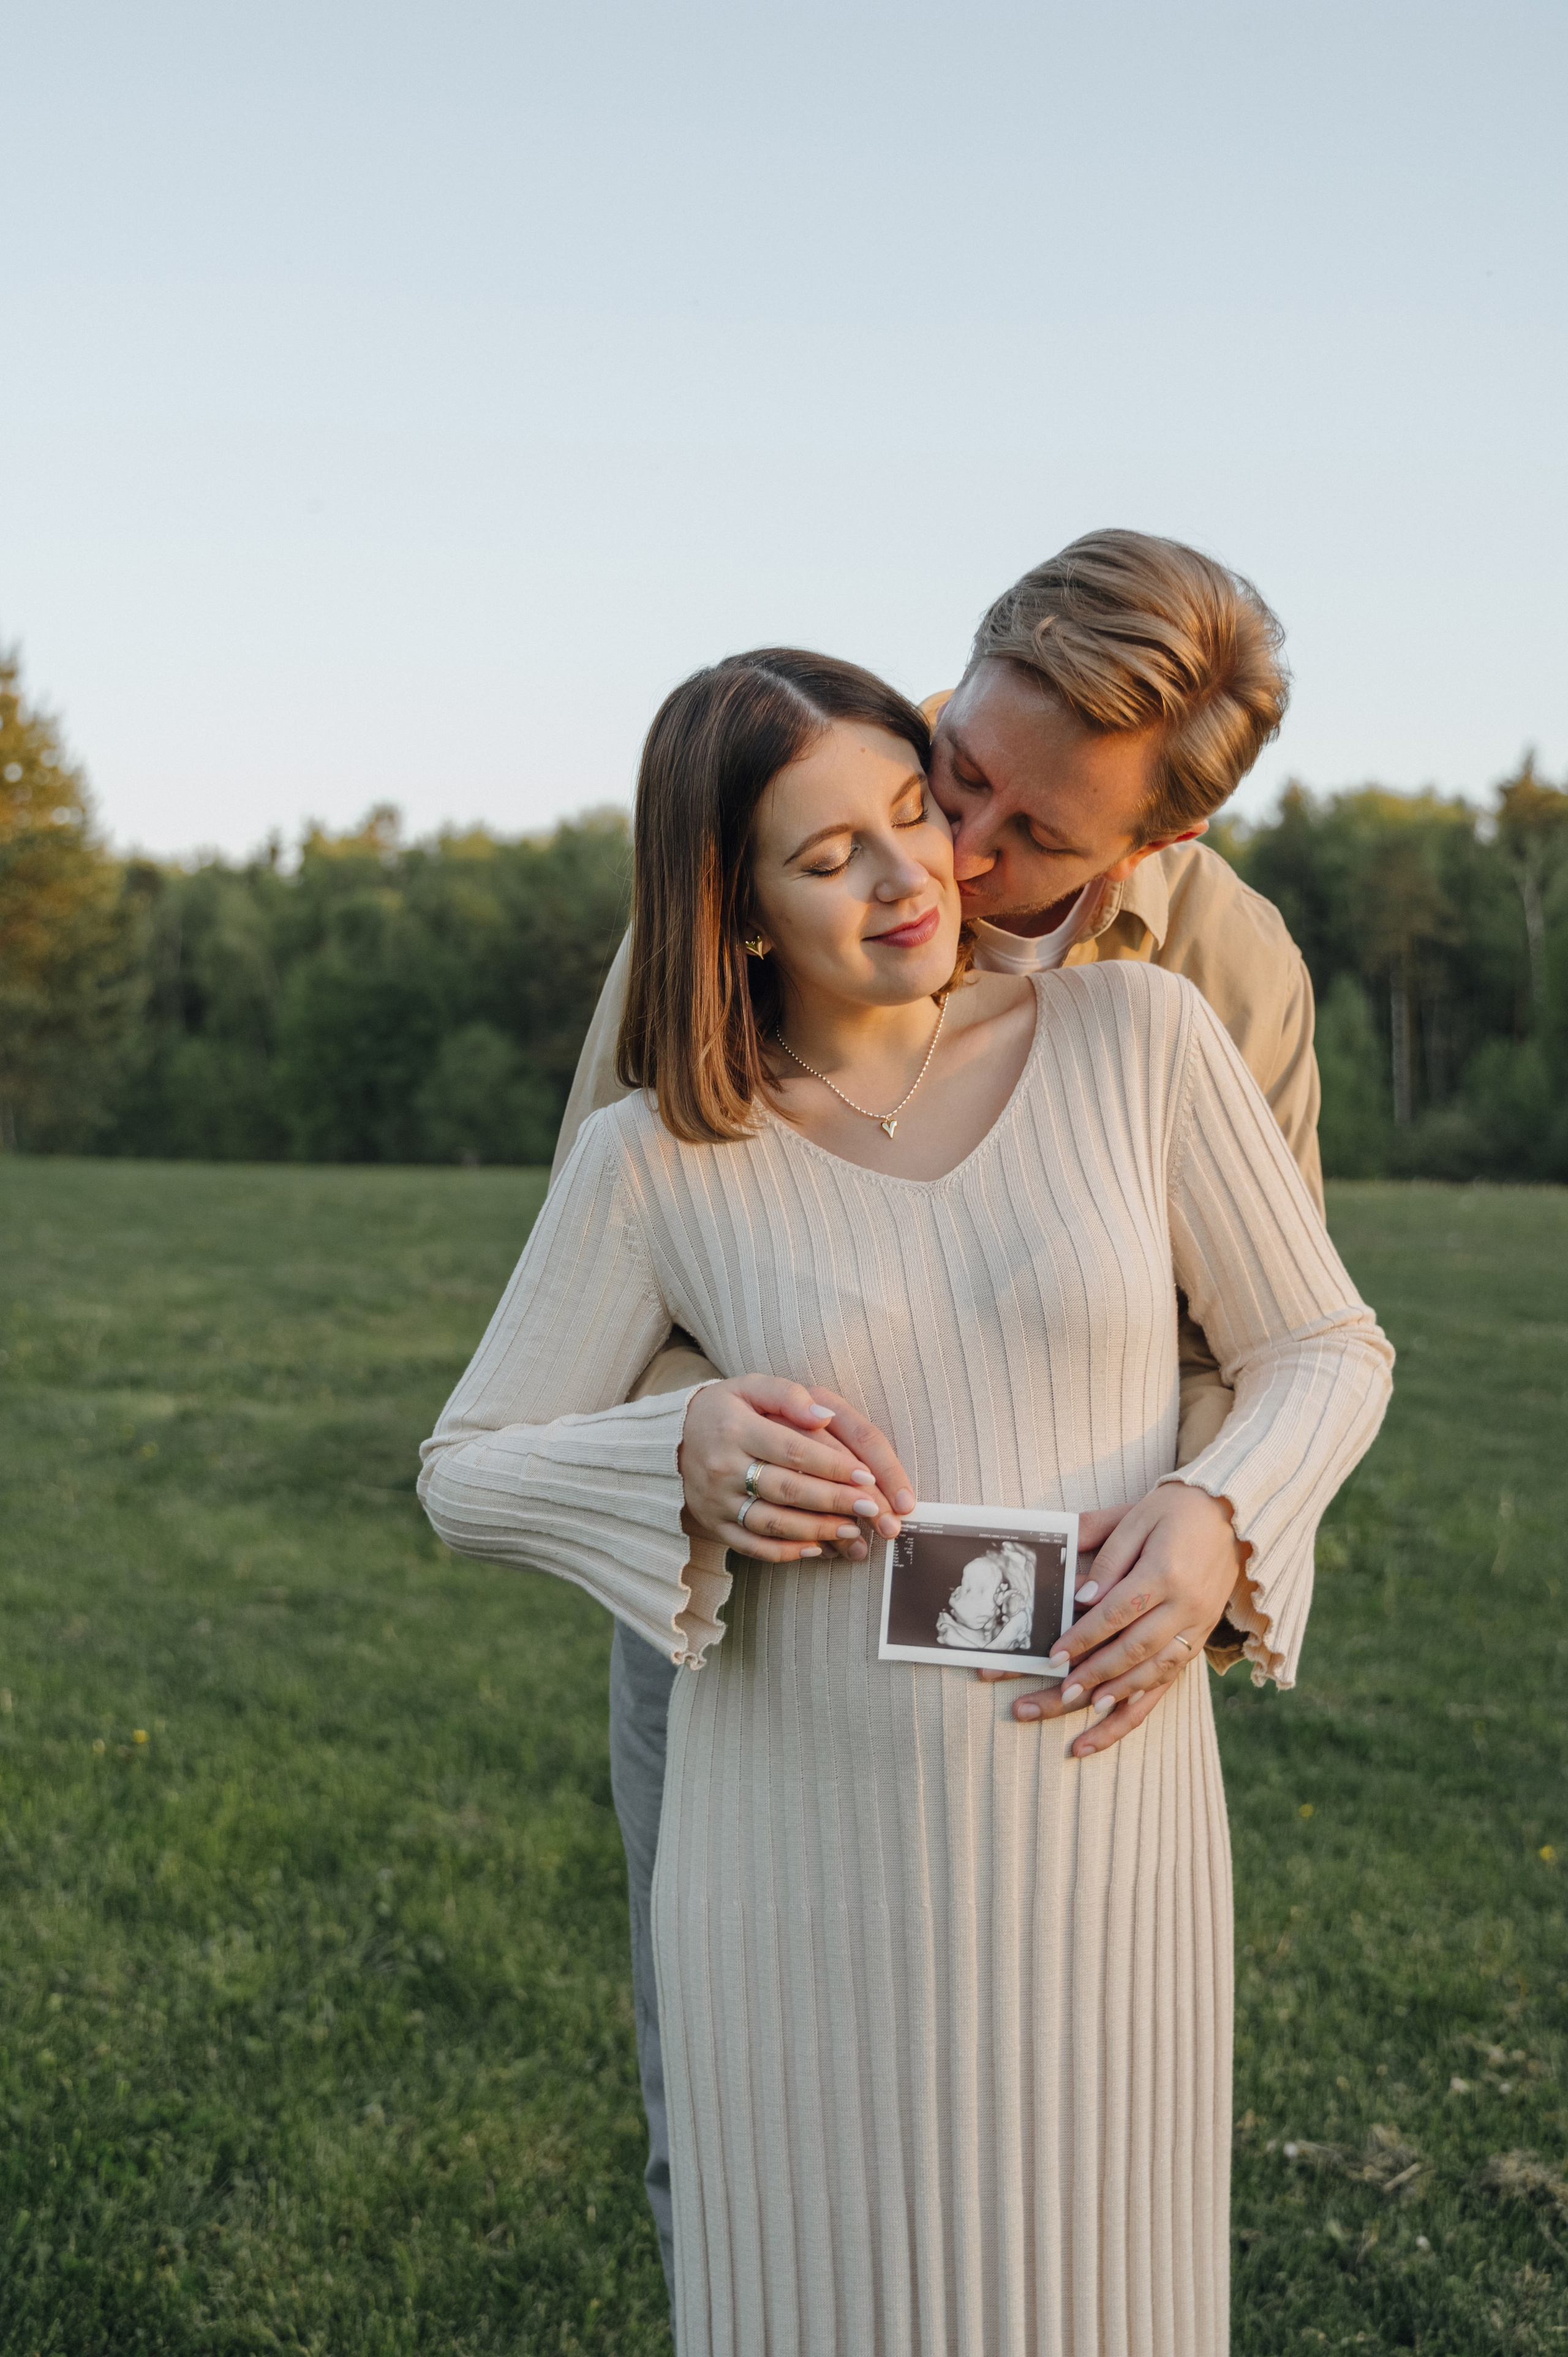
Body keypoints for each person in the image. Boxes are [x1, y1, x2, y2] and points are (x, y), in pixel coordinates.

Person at [420, 646, 1392, 2355]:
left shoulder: (1144, 1038)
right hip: (789, 1867)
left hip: (1107, 1837)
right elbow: (466, 1470)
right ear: (728, 914)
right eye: (829, 856)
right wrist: (678, 1450)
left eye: (904, 817)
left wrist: (1221, 1507)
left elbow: (1321, 1342)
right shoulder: (654, 1157)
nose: (916, 871)